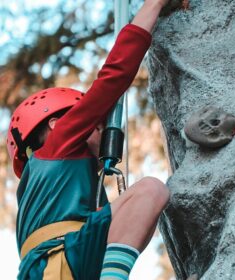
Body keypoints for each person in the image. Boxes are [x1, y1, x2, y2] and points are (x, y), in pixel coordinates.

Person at [6, 0, 170, 279]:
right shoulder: (57, 145)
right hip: (58, 260)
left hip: (60, 264)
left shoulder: (58, 185)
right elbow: (113, 78)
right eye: (96, 124)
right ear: (57, 124)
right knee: (151, 190)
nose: (101, 127)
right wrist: (154, 4)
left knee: (140, 209)